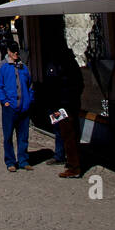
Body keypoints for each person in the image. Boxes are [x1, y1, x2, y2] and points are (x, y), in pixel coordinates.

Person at [0, 43, 34, 172]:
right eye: (14, 52)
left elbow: (30, 85)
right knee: (8, 136)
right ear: (9, 52)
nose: (17, 54)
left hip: (24, 107)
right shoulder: (2, 66)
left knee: (23, 136)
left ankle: (23, 160)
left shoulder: (23, 67)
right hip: (10, 108)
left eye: (18, 52)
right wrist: (4, 101)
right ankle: (10, 161)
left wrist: (29, 99)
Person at [45, 50, 85, 178]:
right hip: (69, 104)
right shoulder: (70, 66)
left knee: (68, 135)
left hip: (64, 106)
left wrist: (61, 102)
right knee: (70, 134)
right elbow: (80, 85)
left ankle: (74, 167)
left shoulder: (63, 68)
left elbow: (57, 86)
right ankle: (70, 161)